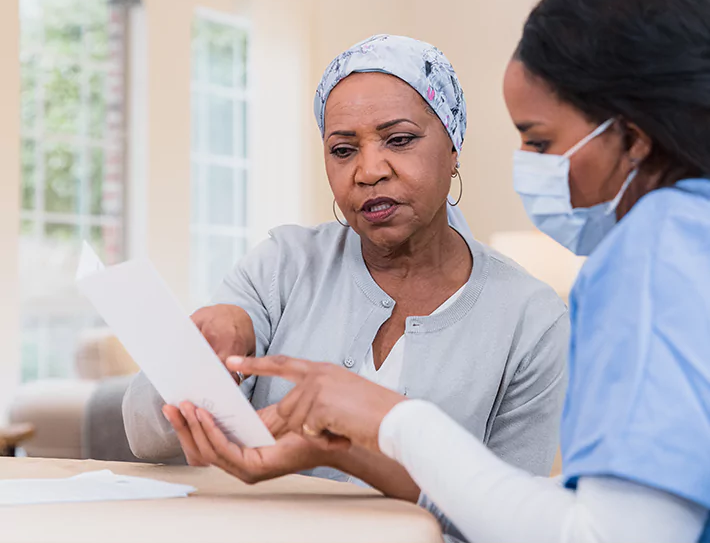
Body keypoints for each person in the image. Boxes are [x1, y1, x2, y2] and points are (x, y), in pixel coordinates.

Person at [175, 0, 710, 543]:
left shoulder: (650, 257)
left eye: (541, 140)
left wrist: (389, 418)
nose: (370, 171)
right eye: (342, 149)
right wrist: (348, 451)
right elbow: (563, 509)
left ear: (631, 137)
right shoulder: (688, 237)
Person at [123, 35, 569, 502]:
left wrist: (348, 454)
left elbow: (517, 515)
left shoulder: (530, 320)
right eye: (342, 150)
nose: (368, 170)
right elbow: (143, 433)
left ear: (453, 147)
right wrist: (199, 358)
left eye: (399, 140)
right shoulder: (284, 265)